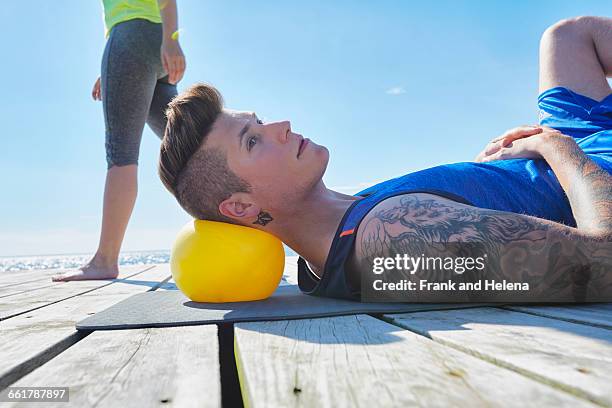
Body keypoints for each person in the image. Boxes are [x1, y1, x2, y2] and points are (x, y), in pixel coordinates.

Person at [158, 16, 612, 302]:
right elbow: (604, 265)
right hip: (593, 167)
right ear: (241, 208)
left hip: (563, 154)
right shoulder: (391, 242)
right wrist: (555, 147)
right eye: (252, 141)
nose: (279, 126)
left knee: (568, 36)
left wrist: (491, 172)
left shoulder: (355, 217)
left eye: (259, 121)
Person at [53, 0, 186, 281]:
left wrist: (171, 41)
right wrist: (115, 72)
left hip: (132, 39)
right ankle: (243, 221)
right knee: (188, 145)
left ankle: (105, 259)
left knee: (121, 153)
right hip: (152, 45)